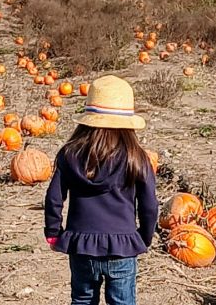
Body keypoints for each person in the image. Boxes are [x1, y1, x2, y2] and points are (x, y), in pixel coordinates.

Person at [44, 75, 159, 305]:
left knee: (83, 300)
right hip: (122, 247)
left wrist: (53, 231)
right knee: (122, 302)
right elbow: (149, 205)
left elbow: (54, 197)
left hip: (81, 245)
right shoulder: (137, 158)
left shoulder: (69, 154)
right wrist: (144, 236)